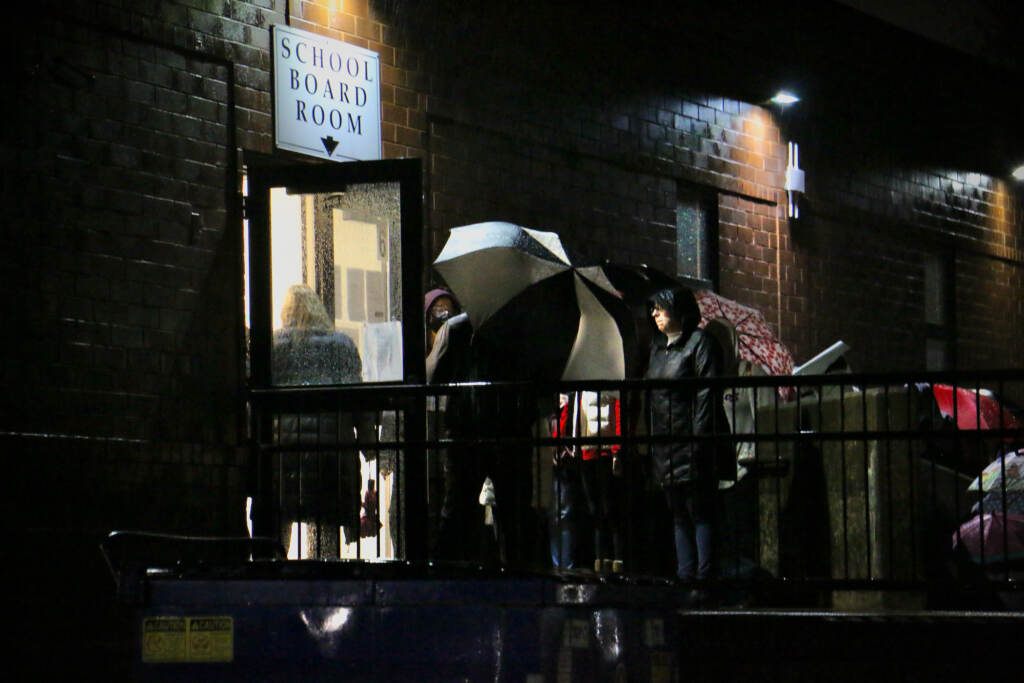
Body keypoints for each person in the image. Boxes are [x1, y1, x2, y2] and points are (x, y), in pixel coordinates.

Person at [645, 286, 733, 599]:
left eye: (661, 307)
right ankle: (686, 579)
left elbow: (706, 395)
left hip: (691, 441)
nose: (654, 313)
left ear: (679, 310)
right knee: (679, 514)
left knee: (699, 512)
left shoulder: (700, 343)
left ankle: (704, 581)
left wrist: (698, 440)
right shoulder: (658, 349)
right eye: (653, 308)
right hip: (666, 444)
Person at [271, 283, 371, 559]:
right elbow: (357, 399)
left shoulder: (273, 345)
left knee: (279, 520)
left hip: (283, 452)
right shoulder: (341, 345)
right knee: (326, 525)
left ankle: (275, 580)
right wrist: (368, 444)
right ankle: (324, 587)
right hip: (332, 450)